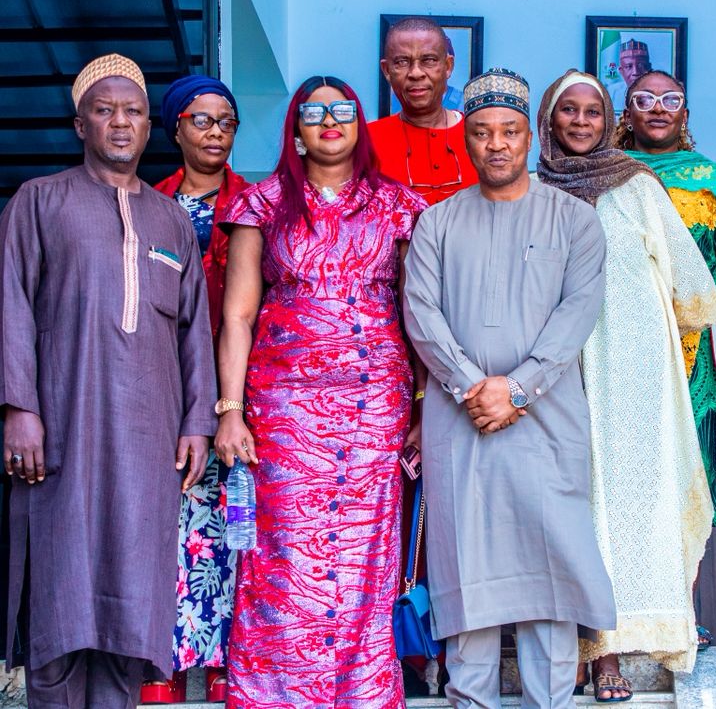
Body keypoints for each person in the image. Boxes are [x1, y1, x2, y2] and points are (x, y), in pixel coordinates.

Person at [0, 54, 217, 708]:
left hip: (147, 442)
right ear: (80, 124)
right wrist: (18, 409)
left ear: (150, 126)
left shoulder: (171, 221)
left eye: (133, 111)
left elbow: (194, 330)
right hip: (62, 433)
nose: (120, 122)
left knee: (129, 615)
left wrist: (198, 422)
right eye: (104, 110)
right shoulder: (39, 201)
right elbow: (11, 305)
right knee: (60, 604)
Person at [402, 68, 616, 709]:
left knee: (551, 564)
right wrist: (474, 387)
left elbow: (578, 313)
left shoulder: (576, 220)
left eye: (510, 131)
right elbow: (421, 312)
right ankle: (470, 700)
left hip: (547, 418)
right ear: (464, 140)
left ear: (531, 137)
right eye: (482, 132)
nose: (496, 144)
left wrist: (518, 389)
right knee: (468, 568)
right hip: (459, 417)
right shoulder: (437, 223)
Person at [214, 75, 427, 707]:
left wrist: (422, 409)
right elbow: (237, 316)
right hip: (284, 409)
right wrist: (231, 411)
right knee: (283, 551)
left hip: (374, 406)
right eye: (314, 112)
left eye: (342, 110)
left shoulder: (398, 204)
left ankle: (361, 695)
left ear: (360, 124)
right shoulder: (261, 203)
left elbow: (417, 315)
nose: (329, 121)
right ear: (296, 129)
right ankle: (276, 695)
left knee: (365, 551)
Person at [538, 70, 716, 697]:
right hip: (556, 368)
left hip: (633, 366)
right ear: (549, 118)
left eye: (592, 111)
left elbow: (689, 286)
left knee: (629, 502)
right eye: (568, 110)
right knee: (571, 508)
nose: (581, 121)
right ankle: (576, 645)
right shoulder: (533, 189)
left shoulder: (636, 185)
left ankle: (620, 647)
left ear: (608, 119)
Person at [617, 70, 716, 534]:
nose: (658, 108)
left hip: (700, 345)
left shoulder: (711, 177)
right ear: (627, 114)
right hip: (626, 340)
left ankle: (689, 565)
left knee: (693, 462)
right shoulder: (607, 174)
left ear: (685, 114)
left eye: (670, 99)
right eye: (645, 99)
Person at [147, 75, 249, 703]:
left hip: (236, 389)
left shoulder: (258, 203)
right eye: (202, 120)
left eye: (227, 121)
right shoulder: (143, 202)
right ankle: (158, 663)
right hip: (159, 388)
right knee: (158, 526)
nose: (216, 132)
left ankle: (222, 665)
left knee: (229, 528)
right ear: (176, 129)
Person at [369, 16, 478, 204]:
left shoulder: (481, 135)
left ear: (448, 66)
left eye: (429, 60)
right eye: (402, 62)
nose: (416, 73)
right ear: (387, 70)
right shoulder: (366, 140)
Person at [604, 39, 653, 107]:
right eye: (628, 66)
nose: (635, 72)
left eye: (640, 66)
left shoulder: (659, 91)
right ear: (621, 71)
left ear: (649, 68)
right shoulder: (611, 92)